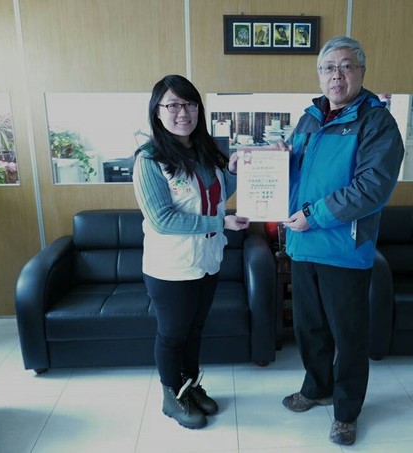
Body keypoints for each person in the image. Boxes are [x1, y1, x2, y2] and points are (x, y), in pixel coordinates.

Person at [280, 36, 405, 446]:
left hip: (343, 250)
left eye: (346, 66)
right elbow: (294, 173)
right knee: (310, 328)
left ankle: (347, 411)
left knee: (348, 336)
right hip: (302, 245)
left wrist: (313, 216)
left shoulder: (376, 122)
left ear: (362, 72)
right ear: (319, 75)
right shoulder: (309, 118)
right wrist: (273, 160)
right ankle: (316, 387)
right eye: (328, 67)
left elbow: (372, 188)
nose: (337, 75)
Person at [132, 74, 250, 430]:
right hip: (171, 266)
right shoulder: (149, 160)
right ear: (157, 111)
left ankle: (190, 387)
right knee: (172, 334)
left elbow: (215, 195)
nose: (183, 112)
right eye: (173, 105)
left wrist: (235, 172)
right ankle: (172, 397)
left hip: (207, 260)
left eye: (190, 104)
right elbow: (163, 219)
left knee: (195, 329)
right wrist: (219, 223)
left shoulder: (204, 151)